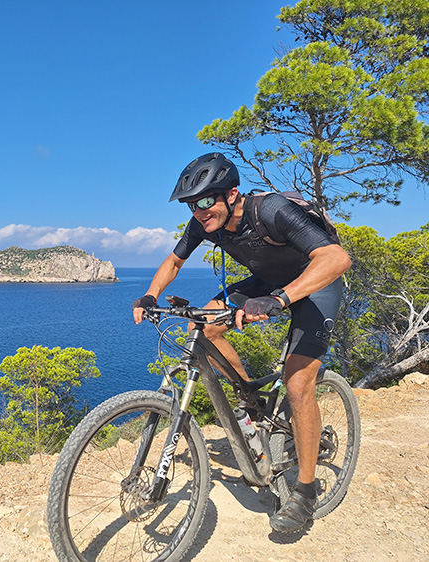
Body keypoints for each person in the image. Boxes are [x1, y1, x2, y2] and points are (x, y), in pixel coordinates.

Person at [132, 152, 351, 534]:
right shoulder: (206, 224)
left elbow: (336, 257)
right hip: (266, 283)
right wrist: (150, 295)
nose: (198, 211)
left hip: (316, 282)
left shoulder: (272, 211)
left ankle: (305, 492)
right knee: (204, 327)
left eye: (205, 200)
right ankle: (249, 396)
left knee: (299, 384)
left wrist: (281, 298)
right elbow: (174, 261)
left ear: (231, 194)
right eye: (191, 204)